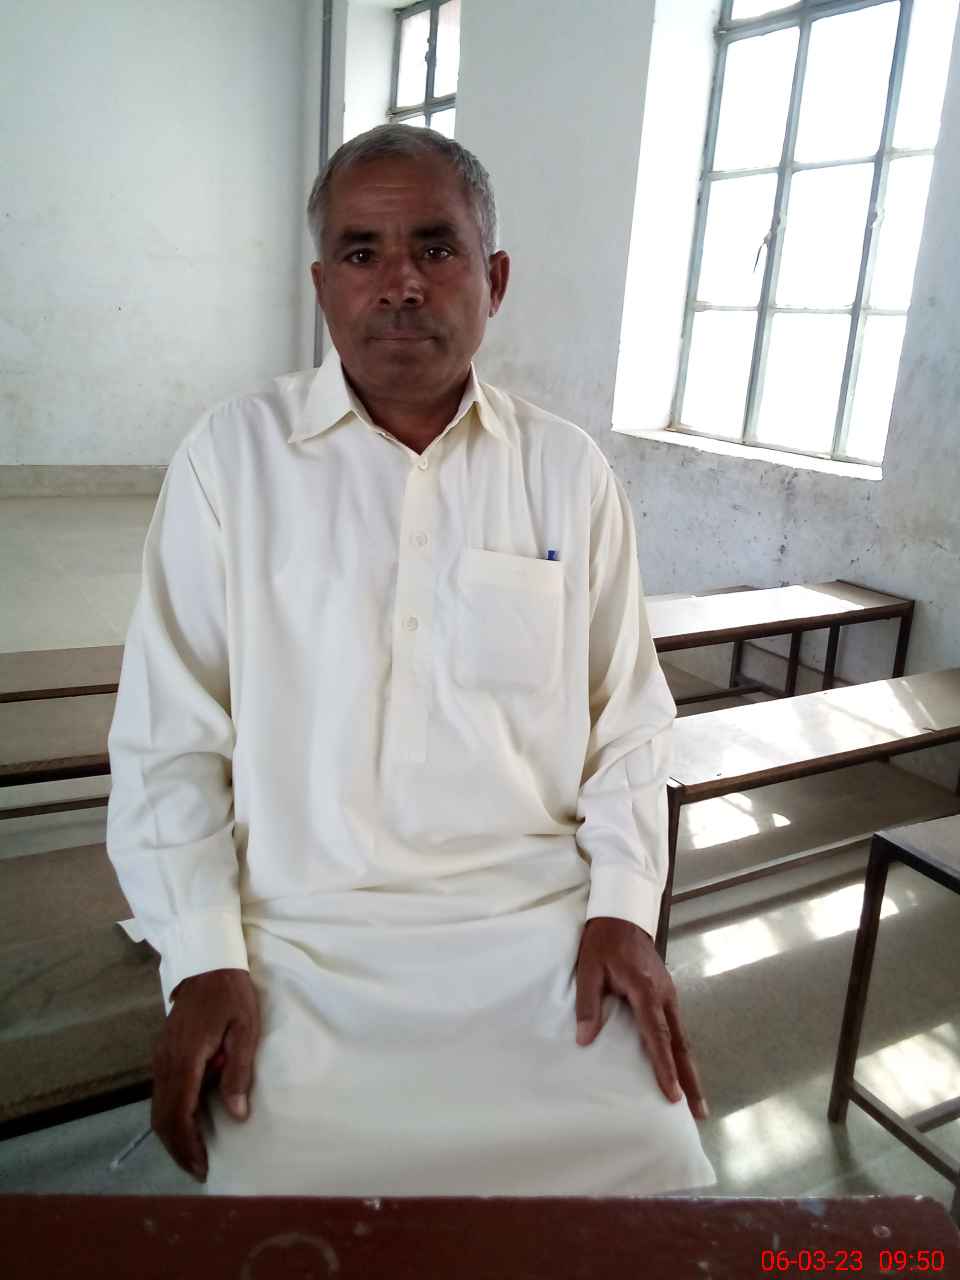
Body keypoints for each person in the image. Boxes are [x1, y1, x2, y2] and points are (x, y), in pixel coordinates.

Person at [106, 123, 716, 1197]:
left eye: (436, 248)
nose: (400, 284)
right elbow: (170, 737)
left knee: (658, 1174)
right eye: (361, 252)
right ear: (321, 286)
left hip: (534, 936)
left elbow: (629, 721)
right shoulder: (230, 463)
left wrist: (624, 905)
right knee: (282, 1207)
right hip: (295, 933)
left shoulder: (566, 474)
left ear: (495, 278)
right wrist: (201, 955)